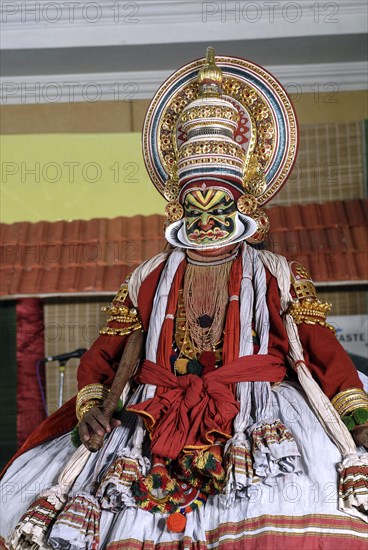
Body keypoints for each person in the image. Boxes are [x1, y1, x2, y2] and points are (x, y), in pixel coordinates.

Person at [1, 48, 367, 550]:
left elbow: (324, 352)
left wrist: (358, 420)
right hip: (151, 415)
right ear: (177, 204)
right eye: (195, 205)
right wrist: (93, 405)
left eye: (220, 204)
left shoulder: (277, 273)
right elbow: (104, 356)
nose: (208, 220)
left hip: (259, 416)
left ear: (245, 203)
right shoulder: (147, 278)